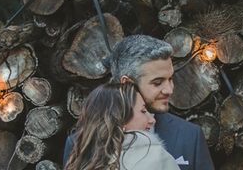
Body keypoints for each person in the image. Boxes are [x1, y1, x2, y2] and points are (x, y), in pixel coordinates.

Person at [64, 35, 215, 170]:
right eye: (157, 82)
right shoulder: (80, 144)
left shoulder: (190, 136)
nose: (169, 89)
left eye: (170, 79)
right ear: (127, 83)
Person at [64, 82, 179, 170]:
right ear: (119, 118)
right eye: (143, 111)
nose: (152, 120)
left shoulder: (81, 160)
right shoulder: (154, 157)